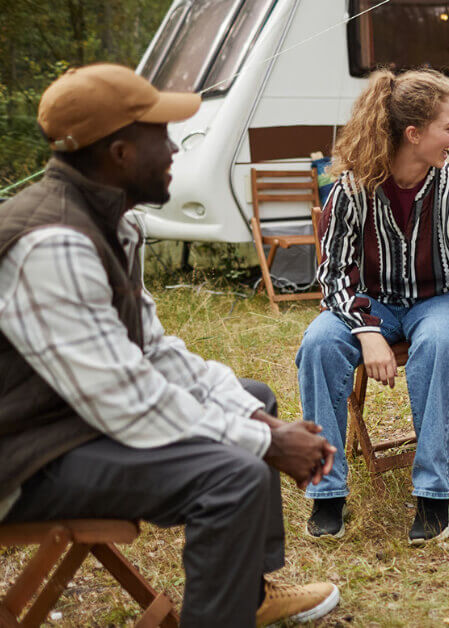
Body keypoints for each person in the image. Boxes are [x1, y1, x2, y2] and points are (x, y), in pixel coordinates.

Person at [0, 64, 340, 625]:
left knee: (252, 394)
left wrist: (262, 422)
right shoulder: (54, 242)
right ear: (120, 153)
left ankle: (246, 596)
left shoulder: (111, 223)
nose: (176, 146)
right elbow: (126, 400)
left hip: (68, 422)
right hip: (25, 459)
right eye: (161, 132)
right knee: (237, 475)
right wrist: (267, 444)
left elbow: (156, 352)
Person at [297, 68, 449, 544]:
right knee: (318, 342)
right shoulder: (354, 187)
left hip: (434, 300)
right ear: (414, 133)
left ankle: (433, 494)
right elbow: (333, 274)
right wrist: (368, 330)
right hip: (369, 303)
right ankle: (327, 492)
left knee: (442, 341)